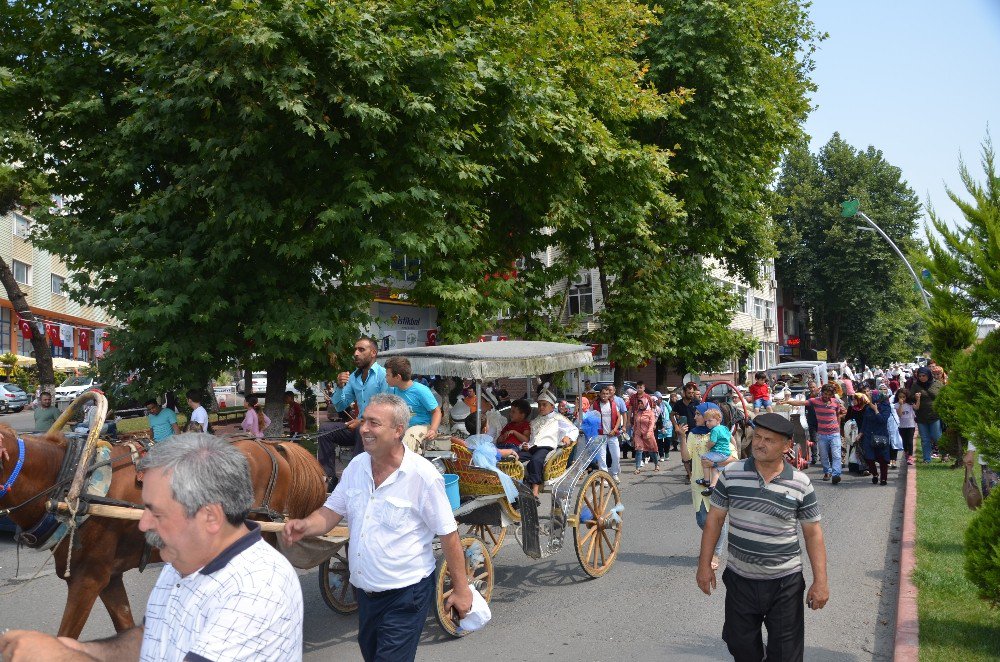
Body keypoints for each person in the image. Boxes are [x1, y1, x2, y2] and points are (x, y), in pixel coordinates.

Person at [0, 434, 304, 661]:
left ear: (210, 516)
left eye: (156, 513)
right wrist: (75, 648)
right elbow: (152, 639)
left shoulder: (254, 588)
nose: (143, 525)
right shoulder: (179, 566)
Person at [282, 394, 472, 662]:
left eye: (374, 423)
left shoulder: (423, 477)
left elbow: (449, 536)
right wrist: (305, 526)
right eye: (364, 422)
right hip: (366, 595)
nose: (364, 429)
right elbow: (331, 512)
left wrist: (462, 590)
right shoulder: (357, 467)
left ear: (397, 431)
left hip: (406, 596)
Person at [696, 413, 829, 662]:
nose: (759, 443)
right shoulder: (731, 475)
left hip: (785, 583)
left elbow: (813, 534)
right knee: (741, 646)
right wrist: (704, 565)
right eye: (757, 437)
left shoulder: (801, 483)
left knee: (785, 654)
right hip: (740, 579)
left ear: (787, 446)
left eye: (769, 439)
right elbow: (714, 520)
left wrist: (820, 581)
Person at [781, 384, 846, 484]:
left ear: (832, 395)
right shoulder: (815, 401)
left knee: (836, 455)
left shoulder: (836, 402)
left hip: (834, 433)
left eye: (829, 394)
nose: (826, 396)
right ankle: (827, 472)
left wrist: (838, 427)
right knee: (823, 456)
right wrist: (788, 401)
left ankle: (836, 475)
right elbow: (801, 402)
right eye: (825, 393)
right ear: (821, 392)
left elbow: (839, 414)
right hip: (822, 434)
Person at [384, 356, 442, 451]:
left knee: (409, 438)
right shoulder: (392, 391)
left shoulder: (421, 390)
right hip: (401, 427)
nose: (385, 377)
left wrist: (433, 429)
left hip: (422, 426)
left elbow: (436, 411)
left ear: (398, 377)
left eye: (387, 375)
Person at [518, 391, 562, 497]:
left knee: (536, 460)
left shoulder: (558, 419)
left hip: (546, 448)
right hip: (532, 447)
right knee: (514, 457)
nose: (541, 407)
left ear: (552, 406)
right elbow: (532, 439)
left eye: (544, 405)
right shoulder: (535, 420)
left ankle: (535, 489)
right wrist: (525, 445)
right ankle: (515, 485)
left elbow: (572, 430)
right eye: (539, 405)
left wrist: (566, 437)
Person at [697, 408, 733, 495]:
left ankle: (706, 480)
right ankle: (713, 486)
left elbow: (712, 442)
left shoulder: (714, 430)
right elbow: (732, 439)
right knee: (714, 469)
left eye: (710, 420)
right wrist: (734, 447)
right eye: (706, 421)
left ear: (718, 420)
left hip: (718, 453)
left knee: (704, 458)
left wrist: (707, 446)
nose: (707, 423)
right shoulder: (725, 428)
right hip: (726, 454)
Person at [672, 382, 702, 484]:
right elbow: (671, 415)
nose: (691, 394)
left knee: (694, 454)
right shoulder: (678, 404)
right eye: (689, 393)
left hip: (695, 431)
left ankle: (695, 473)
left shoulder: (697, 402)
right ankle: (690, 475)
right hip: (683, 432)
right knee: (684, 456)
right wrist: (676, 426)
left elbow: (702, 414)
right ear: (684, 393)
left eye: (693, 393)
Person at [860, 392, 892, 485]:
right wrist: (861, 433)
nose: (868, 398)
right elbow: (865, 422)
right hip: (868, 435)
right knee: (869, 457)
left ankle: (883, 479)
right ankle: (874, 474)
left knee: (882, 459)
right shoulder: (867, 408)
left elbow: (883, 420)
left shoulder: (886, 407)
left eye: (870, 396)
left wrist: (876, 410)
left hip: (881, 435)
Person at [913, 366, 943, 463]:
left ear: (928, 375)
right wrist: (916, 397)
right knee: (925, 439)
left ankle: (944, 455)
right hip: (921, 416)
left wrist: (929, 391)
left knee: (937, 436)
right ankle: (927, 458)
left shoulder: (937, 384)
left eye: (924, 375)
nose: (921, 377)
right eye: (920, 376)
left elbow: (942, 396)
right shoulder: (915, 385)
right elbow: (909, 397)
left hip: (934, 415)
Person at [594, 385, 623, 483]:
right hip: (600, 435)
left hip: (612, 435)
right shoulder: (595, 405)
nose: (604, 395)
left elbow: (619, 417)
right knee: (602, 458)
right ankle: (605, 477)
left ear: (609, 394)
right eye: (603, 393)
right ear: (600, 394)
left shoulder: (613, 404)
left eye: (607, 394)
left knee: (617, 456)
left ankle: (614, 474)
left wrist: (615, 429)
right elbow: (590, 418)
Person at [631, 391, 659, 474]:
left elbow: (652, 424)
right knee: (638, 450)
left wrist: (649, 433)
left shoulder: (650, 413)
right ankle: (637, 468)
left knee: (652, 450)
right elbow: (635, 424)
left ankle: (656, 464)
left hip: (648, 434)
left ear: (646, 403)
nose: (640, 405)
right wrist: (634, 434)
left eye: (641, 403)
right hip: (638, 434)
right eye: (639, 403)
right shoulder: (637, 413)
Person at [895, 388, 917, 466]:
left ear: (907, 397)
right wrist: (901, 405)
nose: (902, 398)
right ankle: (906, 454)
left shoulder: (910, 404)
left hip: (911, 425)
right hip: (902, 426)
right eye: (900, 397)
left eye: (904, 397)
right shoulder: (897, 405)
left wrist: (918, 399)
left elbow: (917, 407)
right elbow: (900, 415)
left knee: (910, 440)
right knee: (904, 441)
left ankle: (910, 456)